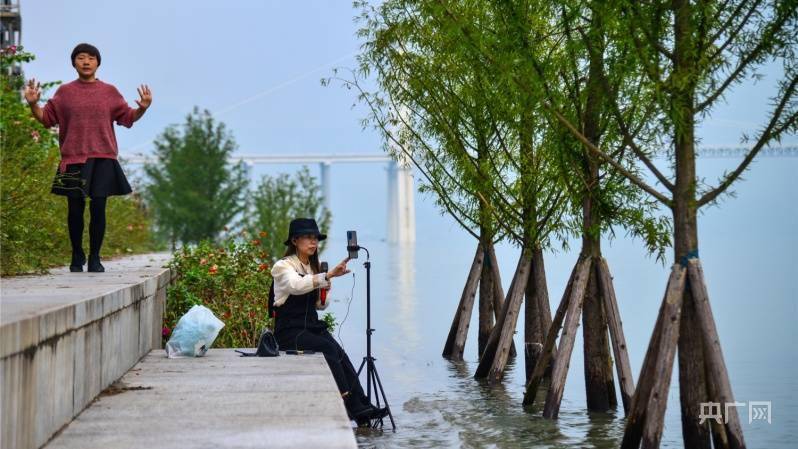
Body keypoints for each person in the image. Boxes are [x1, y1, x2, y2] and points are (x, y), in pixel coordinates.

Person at [24, 43, 152, 272]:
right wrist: (33, 104)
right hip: (73, 158)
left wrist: (142, 108)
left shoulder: (109, 92)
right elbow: (46, 119)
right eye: (81, 58)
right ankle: (76, 255)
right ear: (74, 63)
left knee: (99, 208)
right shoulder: (64, 93)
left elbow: (128, 117)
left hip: (103, 157)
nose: (86, 62)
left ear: (97, 63)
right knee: (74, 209)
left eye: (91, 58)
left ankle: (95, 257)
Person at [270, 218, 389, 425]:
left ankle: (362, 405)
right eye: (308, 237)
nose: (313, 242)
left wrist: (325, 288)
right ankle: (349, 405)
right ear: (295, 240)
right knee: (327, 348)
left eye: (315, 238)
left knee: (341, 354)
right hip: (289, 332)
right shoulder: (282, 266)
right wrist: (327, 275)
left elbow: (319, 306)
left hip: (310, 328)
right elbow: (295, 286)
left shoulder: (311, 268)